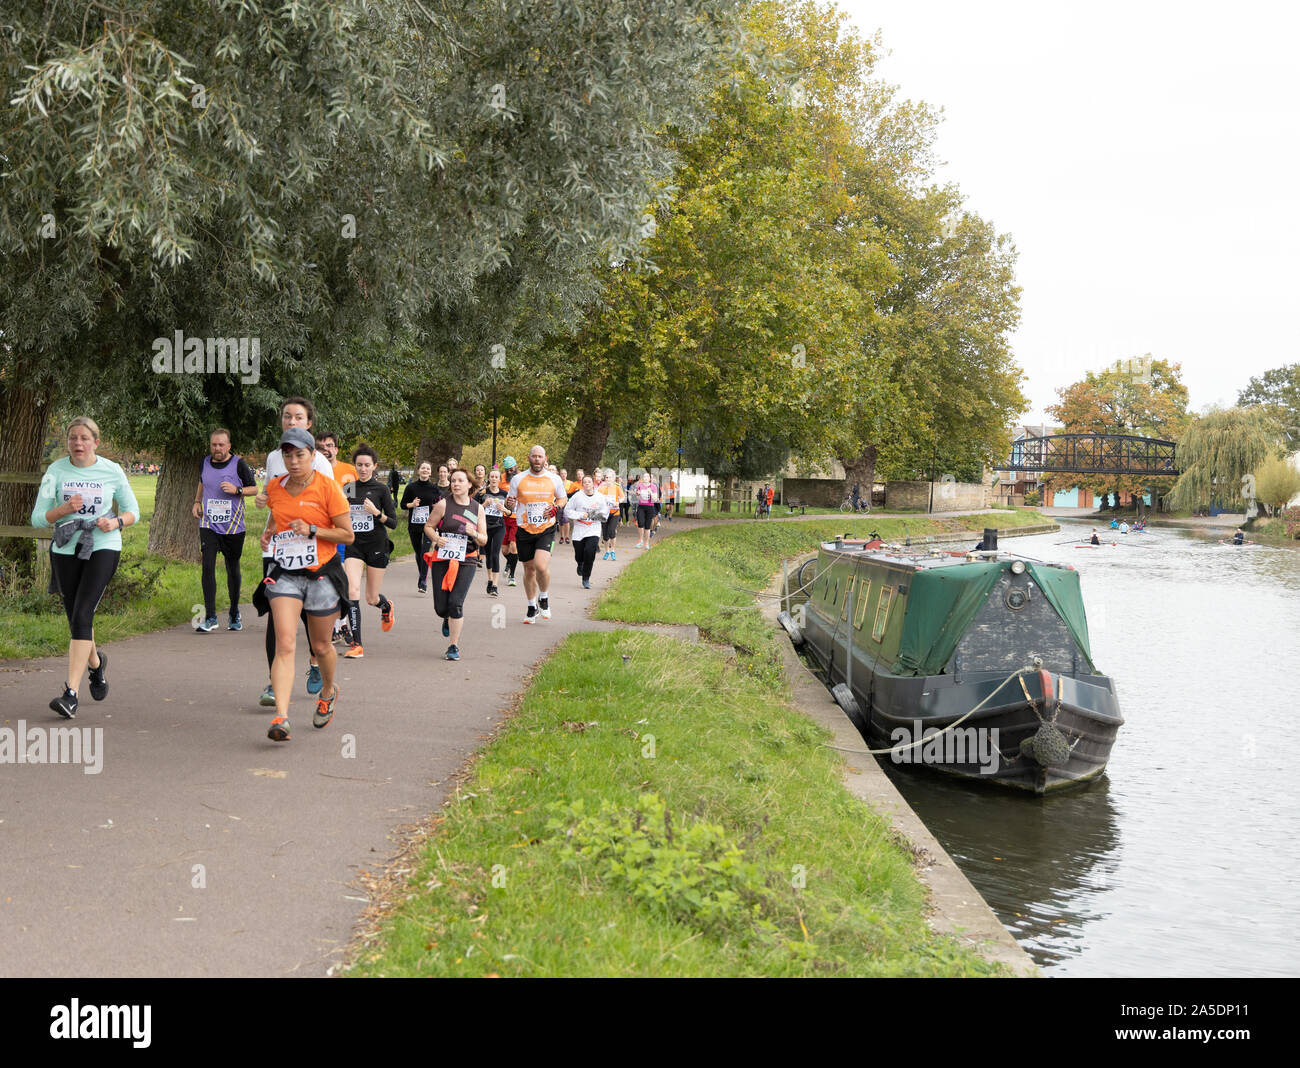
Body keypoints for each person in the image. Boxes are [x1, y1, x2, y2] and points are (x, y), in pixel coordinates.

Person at [32, 416, 141, 719]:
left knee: (83, 614)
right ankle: (96, 664)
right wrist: (63, 510)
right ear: (67, 441)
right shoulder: (55, 472)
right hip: (65, 548)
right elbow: (38, 519)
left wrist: (116, 521)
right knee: (76, 620)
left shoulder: (111, 470)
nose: (78, 443)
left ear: (96, 441)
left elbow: (134, 512)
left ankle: (71, 694)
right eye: (72, 438)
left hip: (103, 544)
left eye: (84, 438)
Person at [256, 427, 353, 741]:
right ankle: (281, 717)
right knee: (285, 643)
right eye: (288, 455)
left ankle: (328, 690)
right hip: (285, 573)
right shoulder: (275, 486)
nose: (293, 461)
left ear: (313, 455)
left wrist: (313, 529)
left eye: (300, 454)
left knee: (321, 645)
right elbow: (277, 513)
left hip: (321, 573)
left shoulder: (328, 488)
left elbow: (347, 535)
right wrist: (270, 531)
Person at [254, 396, 336, 706]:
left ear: (309, 423)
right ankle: (275, 683)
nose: (291, 421)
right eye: (287, 416)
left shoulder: (321, 463)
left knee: (312, 623)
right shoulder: (275, 458)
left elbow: (330, 506)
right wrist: (269, 522)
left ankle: (316, 663)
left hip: (314, 552)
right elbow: (276, 497)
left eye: (298, 417)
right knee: (278, 620)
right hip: (279, 550)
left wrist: (314, 531)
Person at [192, 427, 257, 632]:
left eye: (221, 444)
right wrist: (196, 502)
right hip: (209, 524)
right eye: (214, 444)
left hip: (233, 526)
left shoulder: (239, 464)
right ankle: (210, 617)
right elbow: (202, 482)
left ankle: (234, 612)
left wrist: (237, 490)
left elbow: (254, 489)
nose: (217, 448)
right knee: (208, 567)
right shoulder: (204, 462)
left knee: (232, 568)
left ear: (228, 446)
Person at [340, 445, 399, 658]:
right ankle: (357, 644)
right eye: (359, 465)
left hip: (376, 545)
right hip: (354, 545)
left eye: (367, 465)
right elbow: (341, 515)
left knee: (371, 597)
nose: (363, 469)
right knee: (352, 591)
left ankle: (385, 606)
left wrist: (376, 514)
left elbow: (393, 523)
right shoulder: (349, 488)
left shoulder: (382, 490)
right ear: (354, 466)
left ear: (374, 466)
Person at [424, 468, 487, 659]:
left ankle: (453, 646)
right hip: (443, 557)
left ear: (469, 484)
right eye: (453, 481)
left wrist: (474, 533)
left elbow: (483, 539)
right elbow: (428, 526)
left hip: (467, 559)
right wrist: (436, 537)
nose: (456, 484)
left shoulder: (478, 508)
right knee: (441, 607)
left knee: (456, 603)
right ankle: (446, 617)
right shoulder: (443, 505)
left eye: (460, 481)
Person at [505, 445, 567, 623]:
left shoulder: (554, 479)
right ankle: (532, 606)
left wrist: (556, 508)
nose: (537, 460)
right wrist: (509, 504)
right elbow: (510, 505)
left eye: (540, 457)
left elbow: (563, 498)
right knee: (529, 569)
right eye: (534, 456)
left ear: (545, 459)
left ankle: (544, 598)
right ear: (529, 458)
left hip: (546, 528)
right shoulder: (518, 479)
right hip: (524, 528)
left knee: (540, 566)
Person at [566, 474, 610, 589]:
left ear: (593, 483)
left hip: (593, 529)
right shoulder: (577, 496)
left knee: (590, 552)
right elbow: (567, 511)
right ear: (582, 484)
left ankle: (586, 578)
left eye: (589, 482)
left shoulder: (600, 497)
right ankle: (580, 563)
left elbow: (605, 514)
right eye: (585, 482)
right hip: (579, 530)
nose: (587, 484)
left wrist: (594, 515)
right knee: (579, 554)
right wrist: (581, 515)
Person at [401, 461, 439, 593]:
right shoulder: (411, 487)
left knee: (425, 551)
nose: (425, 470)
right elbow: (402, 505)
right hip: (414, 525)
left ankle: (422, 581)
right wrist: (412, 504)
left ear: (430, 472)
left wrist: (436, 507)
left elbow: (439, 504)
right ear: (418, 471)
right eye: (423, 468)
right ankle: (422, 572)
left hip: (429, 525)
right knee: (418, 553)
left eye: (427, 468)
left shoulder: (434, 488)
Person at [480, 468, 509, 596]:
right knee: (488, 555)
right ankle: (490, 579)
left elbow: (510, 512)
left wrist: (503, 509)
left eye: (496, 477)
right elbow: (473, 510)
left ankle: (495, 586)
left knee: (495, 554)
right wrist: (484, 505)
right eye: (491, 476)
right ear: (488, 479)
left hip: (499, 526)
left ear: (499, 480)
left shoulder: (504, 494)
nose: (494, 479)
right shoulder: (482, 493)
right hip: (485, 526)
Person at [499, 456, 520, 587]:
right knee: (505, 551)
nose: (510, 471)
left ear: (516, 466)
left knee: (513, 546)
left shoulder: (522, 478)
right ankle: (510, 562)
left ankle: (512, 576)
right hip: (504, 517)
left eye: (512, 468)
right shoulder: (501, 479)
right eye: (508, 469)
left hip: (518, 518)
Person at [597, 468, 623, 560]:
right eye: (606, 477)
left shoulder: (617, 487)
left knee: (612, 531)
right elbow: (597, 499)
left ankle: (613, 551)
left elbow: (623, 497)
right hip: (604, 513)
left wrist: (618, 502)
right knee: (605, 534)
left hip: (614, 512)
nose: (608, 479)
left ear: (613, 478)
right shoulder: (601, 488)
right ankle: (607, 551)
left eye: (610, 477)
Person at [632, 471, 659, 548]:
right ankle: (640, 540)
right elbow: (637, 497)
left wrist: (650, 492)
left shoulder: (653, 486)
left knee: (647, 526)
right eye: (644, 477)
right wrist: (638, 494)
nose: (645, 478)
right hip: (641, 506)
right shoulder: (640, 485)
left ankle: (646, 543)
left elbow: (655, 499)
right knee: (640, 523)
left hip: (650, 507)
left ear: (650, 478)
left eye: (647, 477)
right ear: (642, 478)